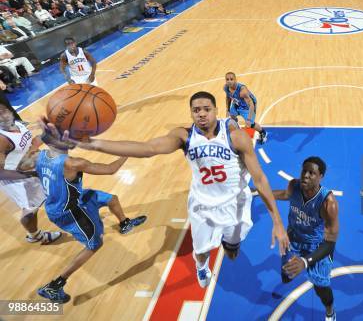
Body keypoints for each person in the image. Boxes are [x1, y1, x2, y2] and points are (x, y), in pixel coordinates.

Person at [43, 91, 289, 288]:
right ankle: (201, 266)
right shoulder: (184, 136)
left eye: (206, 109)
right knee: (201, 250)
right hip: (203, 206)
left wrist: (277, 222)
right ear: (191, 113)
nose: (201, 114)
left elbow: (261, 180)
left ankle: (230, 243)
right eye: (196, 110)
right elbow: (148, 148)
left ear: (216, 111)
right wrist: (93, 144)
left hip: (236, 204)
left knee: (233, 245)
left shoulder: (236, 138)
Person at [17, 132, 147, 303]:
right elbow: (110, 169)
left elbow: (20, 166)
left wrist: (40, 163)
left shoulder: (38, 156)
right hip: (69, 212)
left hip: (69, 200)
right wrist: (127, 153)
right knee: (95, 244)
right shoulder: (73, 163)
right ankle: (55, 285)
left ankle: (124, 223)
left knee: (111, 198)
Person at [272, 156, 339, 321]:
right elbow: (284, 194)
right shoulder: (293, 185)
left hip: (316, 247)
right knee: (286, 277)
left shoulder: (328, 203)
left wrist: (305, 261)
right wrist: (258, 192)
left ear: (320, 176)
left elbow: (330, 244)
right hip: (293, 238)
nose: (306, 175)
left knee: (321, 289)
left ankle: (330, 311)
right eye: (304, 171)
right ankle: (294, 268)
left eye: (312, 173)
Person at [0, 104, 62, 244]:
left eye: (3, 110)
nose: (3, 115)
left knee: (53, 188)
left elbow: (31, 143)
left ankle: (72, 209)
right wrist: (28, 176)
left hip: (29, 168)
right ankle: (35, 236)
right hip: (14, 178)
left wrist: (47, 133)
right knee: (29, 209)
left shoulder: (18, 124)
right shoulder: (2, 139)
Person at [224, 72, 267, 144]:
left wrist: (249, 120)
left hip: (247, 106)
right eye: (227, 79)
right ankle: (236, 132)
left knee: (251, 124)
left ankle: (262, 132)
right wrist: (227, 110)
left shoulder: (242, 90)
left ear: (235, 80)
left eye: (231, 79)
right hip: (237, 102)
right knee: (231, 118)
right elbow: (228, 98)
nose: (229, 81)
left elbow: (251, 105)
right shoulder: (226, 88)